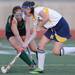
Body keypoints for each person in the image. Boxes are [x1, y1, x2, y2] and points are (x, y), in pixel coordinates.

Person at [22, 1, 71, 74]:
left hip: (61, 27)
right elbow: (34, 33)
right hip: (52, 28)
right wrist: (27, 43)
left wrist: (40, 25)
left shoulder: (37, 10)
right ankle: (40, 69)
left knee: (56, 52)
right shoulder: (34, 18)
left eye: (24, 10)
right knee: (40, 46)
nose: (24, 12)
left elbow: (46, 18)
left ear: (29, 9)